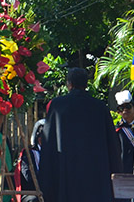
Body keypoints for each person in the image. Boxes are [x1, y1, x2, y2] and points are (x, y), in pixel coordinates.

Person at [39, 67, 121, 202]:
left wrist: (47, 179)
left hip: (66, 176)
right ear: (86, 84)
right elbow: (112, 146)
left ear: (69, 84)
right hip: (96, 178)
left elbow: (49, 144)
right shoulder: (100, 107)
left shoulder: (57, 105)